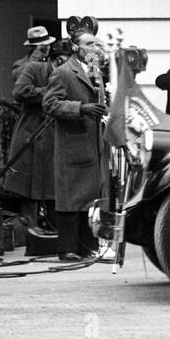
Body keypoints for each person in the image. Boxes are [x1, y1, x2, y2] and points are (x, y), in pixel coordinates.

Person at [43, 30, 109, 262]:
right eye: (89, 44)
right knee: (70, 197)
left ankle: (86, 245)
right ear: (75, 47)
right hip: (73, 142)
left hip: (92, 141)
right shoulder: (63, 72)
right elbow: (50, 104)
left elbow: (100, 101)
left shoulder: (94, 72)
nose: (94, 48)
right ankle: (67, 248)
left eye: (95, 44)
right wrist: (80, 108)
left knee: (89, 197)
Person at [6, 26, 57, 233]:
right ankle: (30, 228)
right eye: (43, 46)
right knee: (29, 181)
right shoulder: (22, 65)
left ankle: (51, 225)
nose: (47, 49)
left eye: (48, 45)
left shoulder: (53, 64)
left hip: (50, 127)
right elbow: (21, 87)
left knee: (51, 180)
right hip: (32, 126)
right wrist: (48, 92)